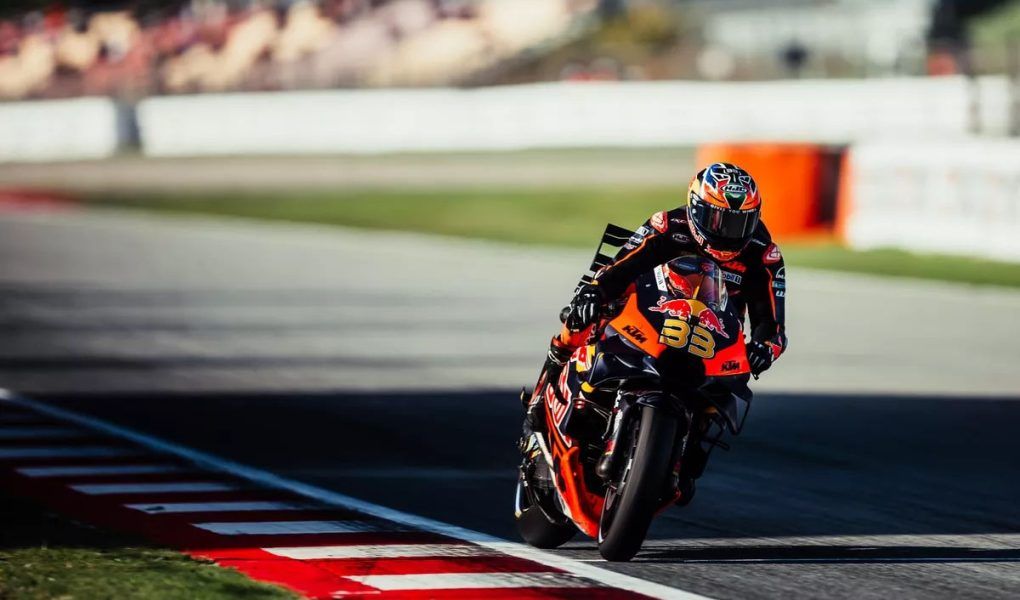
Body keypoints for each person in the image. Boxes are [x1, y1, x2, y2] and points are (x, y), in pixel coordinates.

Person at [524, 162, 787, 435]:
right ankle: (542, 395)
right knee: (581, 313)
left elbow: (772, 325)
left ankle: (686, 447)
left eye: (740, 223)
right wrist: (595, 291)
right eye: (718, 220)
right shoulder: (668, 226)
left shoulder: (764, 255)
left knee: (715, 407)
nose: (728, 233)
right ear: (696, 208)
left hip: (711, 338)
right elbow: (621, 268)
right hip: (651, 311)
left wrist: (763, 348)